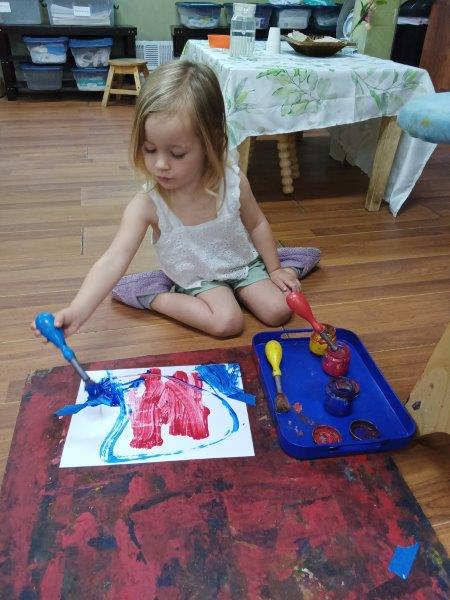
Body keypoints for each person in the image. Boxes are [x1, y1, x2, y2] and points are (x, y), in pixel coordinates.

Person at [32, 60, 320, 340]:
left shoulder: (232, 182)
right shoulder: (147, 205)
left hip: (240, 263)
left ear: (210, 143)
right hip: (198, 276)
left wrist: (274, 268)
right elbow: (113, 260)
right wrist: (77, 311)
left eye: (177, 153)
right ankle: (152, 294)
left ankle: (242, 288)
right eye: (149, 149)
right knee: (227, 322)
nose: (160, 164)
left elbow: (256, 224)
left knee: (279, 310)